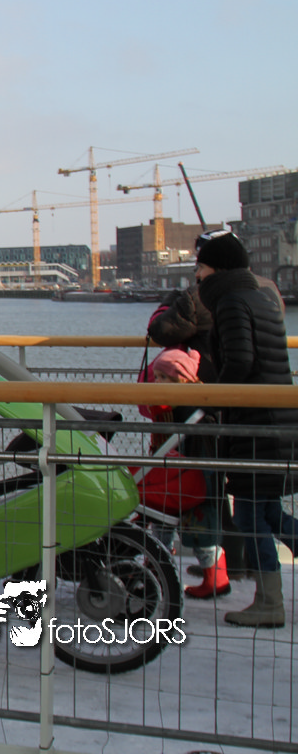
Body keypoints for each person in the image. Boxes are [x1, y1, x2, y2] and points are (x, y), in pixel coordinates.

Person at [194, 229, 298, 628]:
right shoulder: (262, 297)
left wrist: (214, 399)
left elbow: (240, 360)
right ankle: (269, 598)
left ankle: (270, 603)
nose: (198, 275)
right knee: (269, 513)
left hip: (255, 426)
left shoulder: (230, 302)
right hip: (276, 421)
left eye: (202, 267)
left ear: (218, 268)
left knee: (251, 519)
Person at [135, 347, 228, 598]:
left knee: (200, 532)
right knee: (163, 521)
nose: (158, 382)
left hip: (192, 481)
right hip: (179, 478)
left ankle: (215, 579)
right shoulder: (183, 406)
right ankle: (156, 567)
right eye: (156, 377)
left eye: (164, 378)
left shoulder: (188, 411)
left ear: (182, 380)